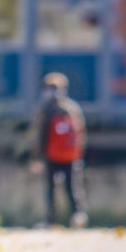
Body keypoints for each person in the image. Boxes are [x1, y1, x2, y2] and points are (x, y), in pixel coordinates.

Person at [33, 71, 88, 228]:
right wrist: (79, 154)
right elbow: (81, 133)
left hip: (51, 155)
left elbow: (40, 135)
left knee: (50, 189)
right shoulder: (73, 107)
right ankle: (78, 215)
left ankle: (50, 220)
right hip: (71, 155)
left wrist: (37, 157)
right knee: (72, 187)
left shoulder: (45, 108)